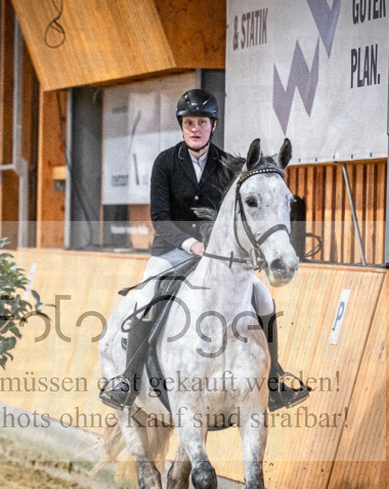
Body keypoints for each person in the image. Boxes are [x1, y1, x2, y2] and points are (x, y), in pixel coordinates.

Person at [99, 88, 308, 412]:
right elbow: (160, 218)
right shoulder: (166, 162)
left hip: (216, 258)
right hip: (170, 253)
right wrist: (191, 244)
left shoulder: (228, 167)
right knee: (145, 298)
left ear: (213, 125)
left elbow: (238, 216)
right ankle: (127, 380)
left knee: (264, 298)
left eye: (202, 122)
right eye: (189, 122)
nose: (195, 128)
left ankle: (275, 379)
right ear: (182, 126)